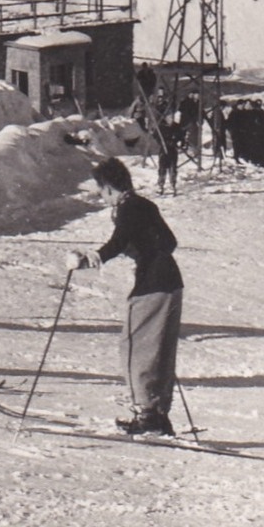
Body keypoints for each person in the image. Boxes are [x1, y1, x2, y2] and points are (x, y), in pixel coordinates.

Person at [71, 158, 185, 436]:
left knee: (135, 348)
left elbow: (119, 240)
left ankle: (146, 415)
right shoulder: (144, 204)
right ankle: (158, 414)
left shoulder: (127, 207)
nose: (101, 196)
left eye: (101, 189)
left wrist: (92, 258)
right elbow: (170, 242)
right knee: (159, 349)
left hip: (152, 283)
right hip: (170, 280)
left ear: (109, 187)